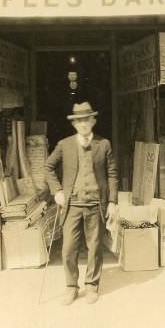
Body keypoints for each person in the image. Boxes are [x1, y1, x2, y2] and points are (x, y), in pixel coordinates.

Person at [45, 102, 118, 305]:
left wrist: (112, 201)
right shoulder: (65, 145)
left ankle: (92, 286)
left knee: (94, 246)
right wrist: (57, 191)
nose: (83, 124)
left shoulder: (104, 144)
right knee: (68, 247)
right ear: (74, 124)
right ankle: (71, 287)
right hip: (72, 205)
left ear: (93, 120)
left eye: (87, 119)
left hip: (96, 203)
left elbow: (112, 174)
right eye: (79, 120)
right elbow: (48, 167)